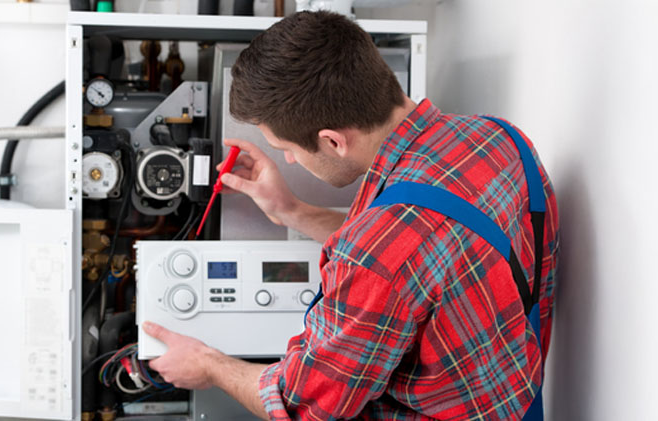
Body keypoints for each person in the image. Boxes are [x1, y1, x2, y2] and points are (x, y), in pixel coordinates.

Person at [142, 10, 560, 420]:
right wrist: (290, 210)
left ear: (332, 141)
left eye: (287, 148)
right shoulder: (499, 139)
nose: (288, 160)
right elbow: (420, 256)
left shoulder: (376, 257)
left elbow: (303, 405)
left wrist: (209, 365)